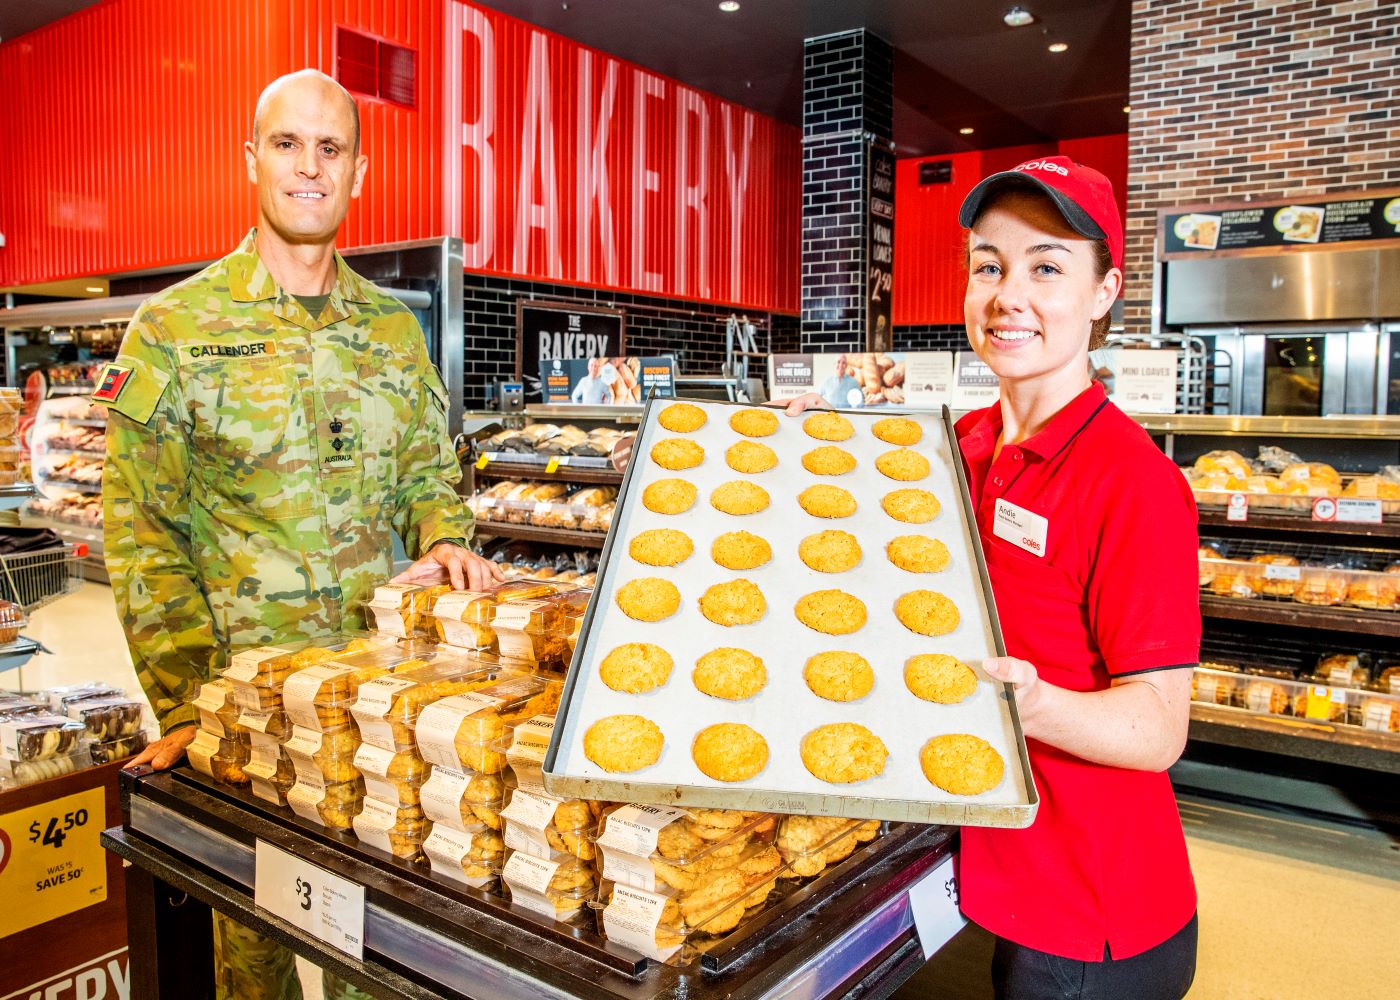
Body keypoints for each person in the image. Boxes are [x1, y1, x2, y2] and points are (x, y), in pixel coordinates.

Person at [101, 69, 502, 1000]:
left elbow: (424, 473)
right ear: (250, 159)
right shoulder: (171, 332)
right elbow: (142, 536)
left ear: (358, 169)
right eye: (287, 144)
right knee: (257, 959)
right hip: (249, 715)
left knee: (386, 958)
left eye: (331, 147)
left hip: (380, 708)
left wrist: (444, 532)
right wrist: (189, 708)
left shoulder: (393, 333)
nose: (309, 167)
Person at [785, 157, 1199, 999]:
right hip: (970, 870)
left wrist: (1028, 699)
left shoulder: (1135, 482)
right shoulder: (959, 442)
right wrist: (809, 460)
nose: (1009, 294)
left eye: (1047, 267)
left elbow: (1158, 729)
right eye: (989, 266)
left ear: (1103, 291)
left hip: (1084, 911)